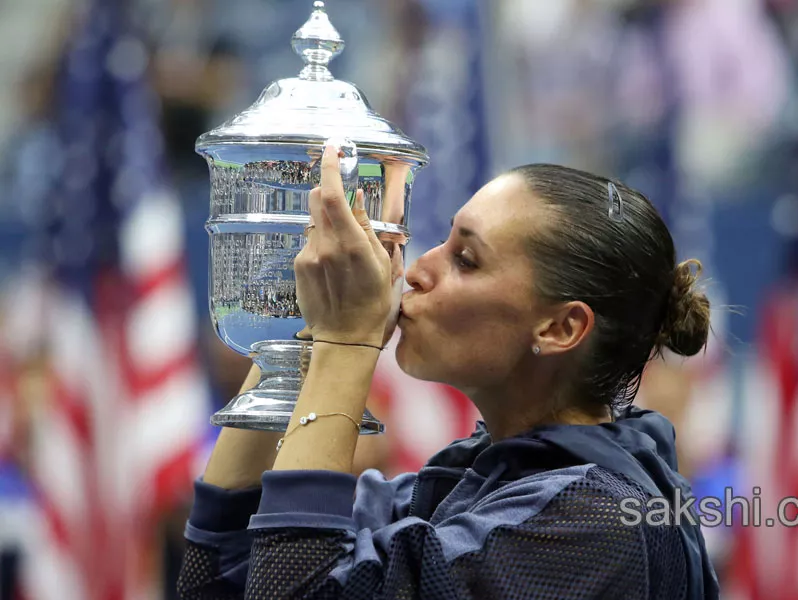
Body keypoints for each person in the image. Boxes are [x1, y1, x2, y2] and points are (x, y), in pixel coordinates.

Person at [176, 147, 720, 599]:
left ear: (559, 329)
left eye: (466, 259)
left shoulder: (593, 523)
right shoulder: (471, 482)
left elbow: (292, 589)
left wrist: (345, 341)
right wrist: (302, 329)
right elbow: (220, 575)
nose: (415, 270)